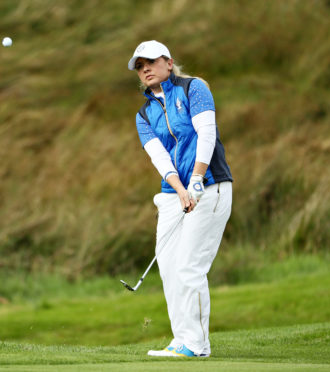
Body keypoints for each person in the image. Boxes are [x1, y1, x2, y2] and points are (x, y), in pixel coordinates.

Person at [127, 40, 233, 357]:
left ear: (168, 63)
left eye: (150, 61)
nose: (144, 68)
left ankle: (197, 345)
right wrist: (181, 187)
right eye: (139, 65)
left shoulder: (193, 89)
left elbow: (207, 133)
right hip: (173, 194)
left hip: (212, 186)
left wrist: (198, 178)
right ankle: (181, 338)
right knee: (171, 267)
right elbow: (159, 158)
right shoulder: (144, 114)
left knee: (189, 266)